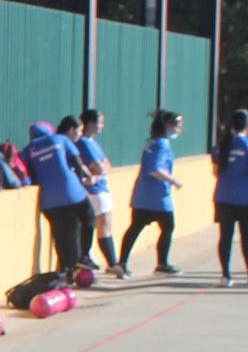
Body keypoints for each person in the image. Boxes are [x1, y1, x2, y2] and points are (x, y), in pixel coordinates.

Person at [120, 110, 186, 277]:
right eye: (178, 126)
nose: (179, 129)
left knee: (135, 228)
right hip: (157, 197)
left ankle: (122, 263)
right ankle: (162, 264)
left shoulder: (152, 142)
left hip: (143, 195)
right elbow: (154, 169)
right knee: (168, 226)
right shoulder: (162, 144)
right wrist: (173, 180)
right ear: (168, 126)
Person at [23, 120, 94, 273]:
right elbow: (78, 164)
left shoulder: (28, 150)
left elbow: (29, 175)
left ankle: (66, 270)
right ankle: (83, 257)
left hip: (48, 200)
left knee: (61, 234)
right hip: (72, 193)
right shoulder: (61, 139)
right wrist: (87, 178)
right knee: (88, 218)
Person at [75, 109, 125, 276]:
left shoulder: (94, 143)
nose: (102, 126)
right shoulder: (82, 143)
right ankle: (110, 262)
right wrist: (101, 167)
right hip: (93, 190)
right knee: (102, 224)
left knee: (104, 224)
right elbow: (98, 167)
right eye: (99, 122)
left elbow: (106, 165)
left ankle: (107, 261)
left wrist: (102, 167)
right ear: (89, 123)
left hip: (102, 187)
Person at [216, 109, 248, 287]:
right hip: (244, 198)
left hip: (223, 197)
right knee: (246, 237)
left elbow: (216, 171)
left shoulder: (223, 144)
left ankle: (225, 275)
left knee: (225, 237)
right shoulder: (246, 144)